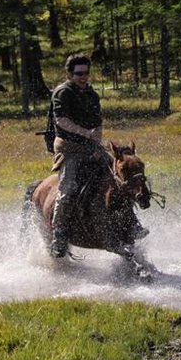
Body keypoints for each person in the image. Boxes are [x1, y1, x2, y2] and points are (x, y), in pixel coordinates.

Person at [49, 53, 147, 258]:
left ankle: (132, 223)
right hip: (69, 149)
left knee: (120, 179)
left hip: (91, 147)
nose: (83, 76)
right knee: (67, 190)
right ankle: (59, 235)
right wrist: (86, 134)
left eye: (86, 72)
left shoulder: (91, 94)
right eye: (79, 73)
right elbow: (61, 121)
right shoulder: (62, 92)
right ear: (70, 73)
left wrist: (96, 142)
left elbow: (98, 122)